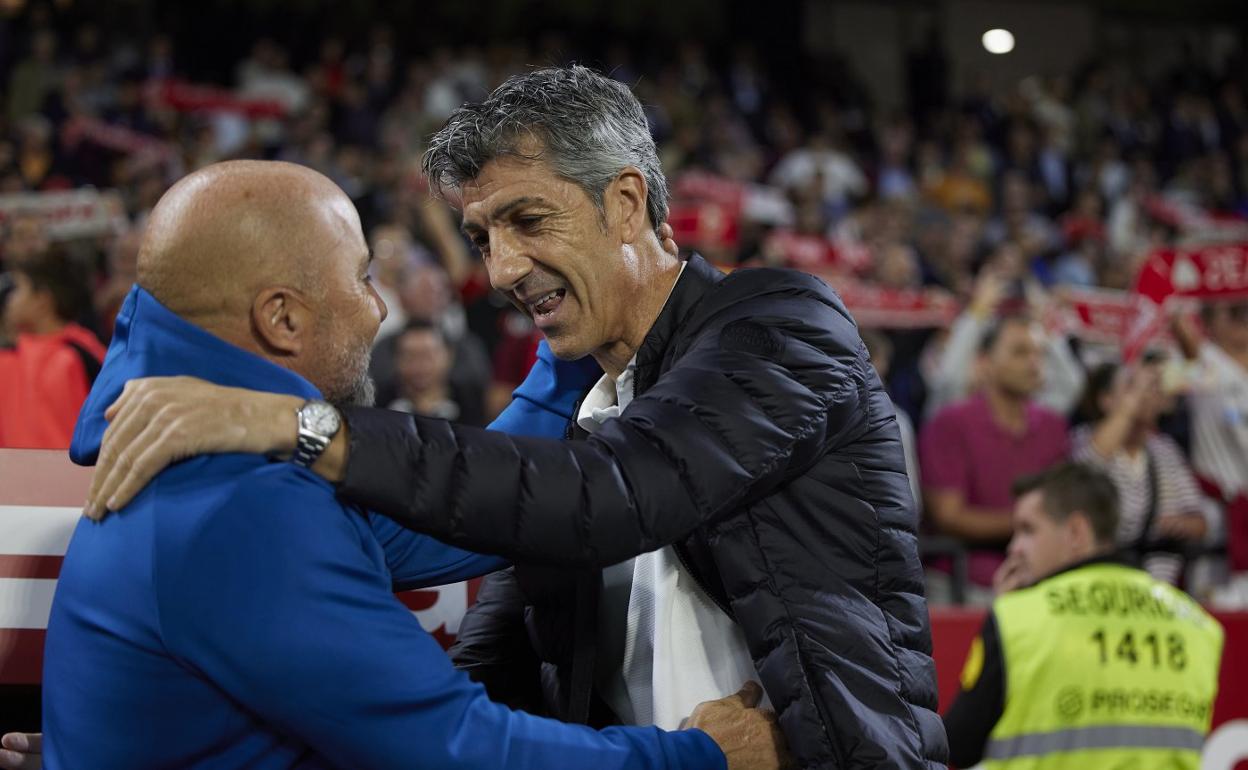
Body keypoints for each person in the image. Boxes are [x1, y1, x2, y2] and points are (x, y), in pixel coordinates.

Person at [82, 66, 946, 769]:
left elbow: (610, 495)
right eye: (484, 235)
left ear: (623, 202)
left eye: (528, 221)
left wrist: (302, 427)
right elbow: (478, 686)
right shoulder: (580, 409)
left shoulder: (782, 327)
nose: (499, 271)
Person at [18, 160, 782, 770]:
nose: (379, 309)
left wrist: (574, 329)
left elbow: (466, 507)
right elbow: (453, 749)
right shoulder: (239, 507)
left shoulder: (225, 466)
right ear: (281, 318)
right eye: (360, 278)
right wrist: (698, 757)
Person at [943, 463, 1224, 769]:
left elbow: (958, 744)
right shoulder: (1197, 624)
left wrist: (1005, 611)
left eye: (1027, 530)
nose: (1014, 548)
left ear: (1076, 532)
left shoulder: (1018, 618)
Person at [919, 313, 1069, 602]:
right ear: (984, 363)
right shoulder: (951, 422)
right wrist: (1033, 524)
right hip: (963, 584)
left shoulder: (1054, 426)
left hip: (1042, 585)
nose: (1034, 363)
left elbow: (1063, 505)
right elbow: (948, 516)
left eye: (1039, 353)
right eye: (1019, 352)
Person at [1071, 358, 1208, 585]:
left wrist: (1180, 525)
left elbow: (1200, 523)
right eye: (1130, 385)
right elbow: (1086, 470)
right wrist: (1132, 403)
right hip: (1101, 584)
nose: (1146, 395)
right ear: (1106, 401)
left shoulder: (1165, 450)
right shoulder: (1084, 438)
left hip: (1159, 590)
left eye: (1151, 389)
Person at [0, 247, 106, 448]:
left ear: (42, 300)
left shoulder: (80, 357)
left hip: (76, 476)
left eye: (18, 289)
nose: (10, 300)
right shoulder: (9, 357)